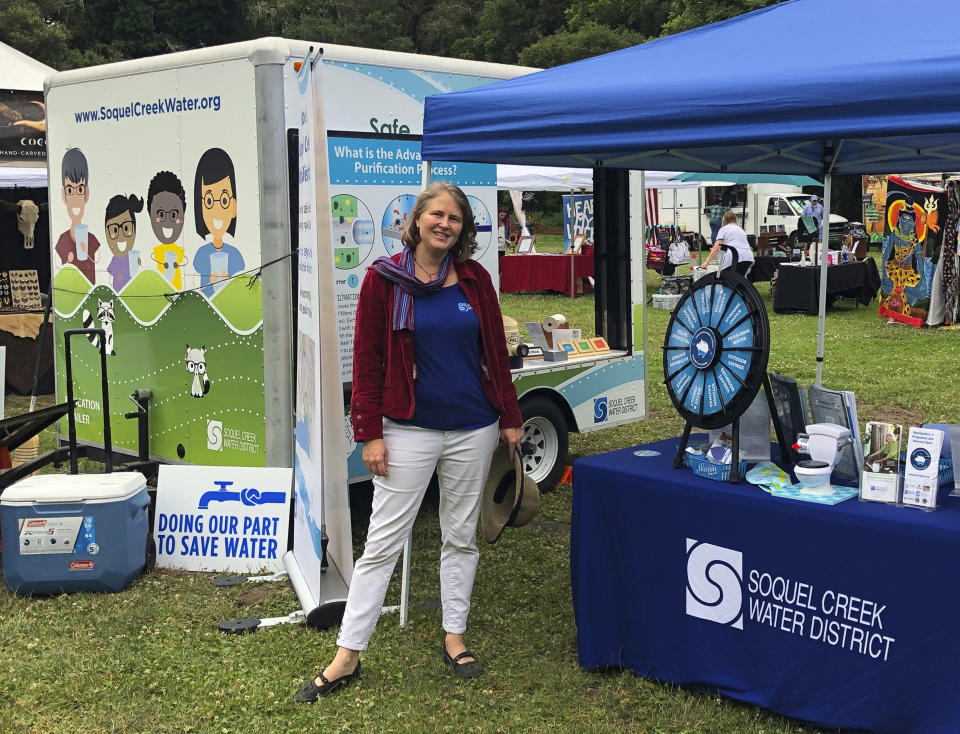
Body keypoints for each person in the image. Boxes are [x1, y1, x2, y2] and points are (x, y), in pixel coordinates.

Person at [294, 181, 524, 703]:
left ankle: (454, 635)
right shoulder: (384, 280)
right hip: (407, 431)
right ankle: (347, 654)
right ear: (417, 220)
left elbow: (494, 353)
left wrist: (509, 417)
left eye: (456, 219)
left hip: (473, 427)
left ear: (463, 229)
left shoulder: (475, 280)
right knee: (382, 545)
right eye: (437, 215)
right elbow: (368, 361)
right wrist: (369, 433)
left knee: (460, 535)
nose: (445, 224)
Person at [192, 148, 245, 297]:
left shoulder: (235, 255)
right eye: (209, 201)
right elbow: (199, 291)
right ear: (200, 208)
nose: (216, 210)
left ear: (233, 206)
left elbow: (241, 293)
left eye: (223, 200)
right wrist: (209, 285)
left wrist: (230, 285)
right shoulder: (201, 254)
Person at [55, 147, 102, 285]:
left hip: (90, 296)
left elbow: (99, 262)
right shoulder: (62, 240)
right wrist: (68, 263)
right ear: (63, 195)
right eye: (70, 190)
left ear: (86, 194)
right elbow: (57, 268)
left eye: (80, 189)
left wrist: (86, 253)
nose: (75, 197)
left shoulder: (92, 239)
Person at [104, 194, 144, 291]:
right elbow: (110, 270)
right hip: (117, 290)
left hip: (132, 291)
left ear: (134, 229)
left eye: (126, 228)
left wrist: (138, 262)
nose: (121, 234)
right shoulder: (115, 259)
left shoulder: (132, 257)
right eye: (114, 230)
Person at [701, 209, 755, 276]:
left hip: (733, 256)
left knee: (727, 278)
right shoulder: (741, 229)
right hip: (748, 257)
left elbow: (716, 248)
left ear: (724, 219)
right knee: (740, 279)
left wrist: (706, 262)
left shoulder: (724, 229)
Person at [801, 194, 825, 261]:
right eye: (813, 201)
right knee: (807, 240)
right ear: (811, 200)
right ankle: (804, 255)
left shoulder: (820, 207)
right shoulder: (807, 207)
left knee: (819, 239)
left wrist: (819, 221)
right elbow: (803, 215)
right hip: (810, 226)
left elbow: (822, 216)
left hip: (818, 226)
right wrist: (807, 221)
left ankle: (819, 255)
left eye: (816, 201)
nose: (814, 202)